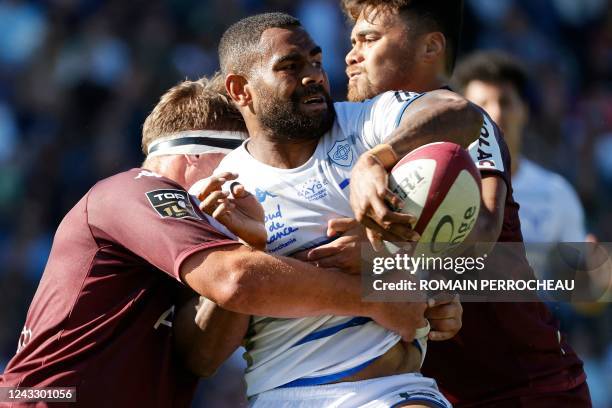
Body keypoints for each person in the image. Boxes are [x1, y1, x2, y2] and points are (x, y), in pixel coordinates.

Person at [0, 77, 424, 408]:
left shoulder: (198, 244)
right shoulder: (131, 189)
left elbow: (206, 353)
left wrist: (419, 282)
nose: (259, 182)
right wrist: (377, 294)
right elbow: (236, 280)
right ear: (194, 157)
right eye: (247, 161)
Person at [204, 11, 485, 408]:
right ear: (240, 89)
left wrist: (375, 160)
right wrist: (249, 250)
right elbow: (203, 354)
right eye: (290, 66)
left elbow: (463, 115)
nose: (314, 76)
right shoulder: (221, 190)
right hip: (287, 395)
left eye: (317, 62)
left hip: (396, 390)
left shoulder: (364, 123)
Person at [341, 1, 590, 406]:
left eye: (370, 39)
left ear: (430, 47)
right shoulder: (353, 135)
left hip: (528, 385)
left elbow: (484, 234)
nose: (352, 54)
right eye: (353, 41)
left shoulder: (470, 122)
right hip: (433, 392)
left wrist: (376, 257)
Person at [453, 51, 588, 248]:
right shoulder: (445, 187)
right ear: (463, 115)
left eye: (505, 102)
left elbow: (575, 270)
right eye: (482, 105)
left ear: (524, 110)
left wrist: (593, 274)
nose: (496, 113)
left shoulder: (556, 193)